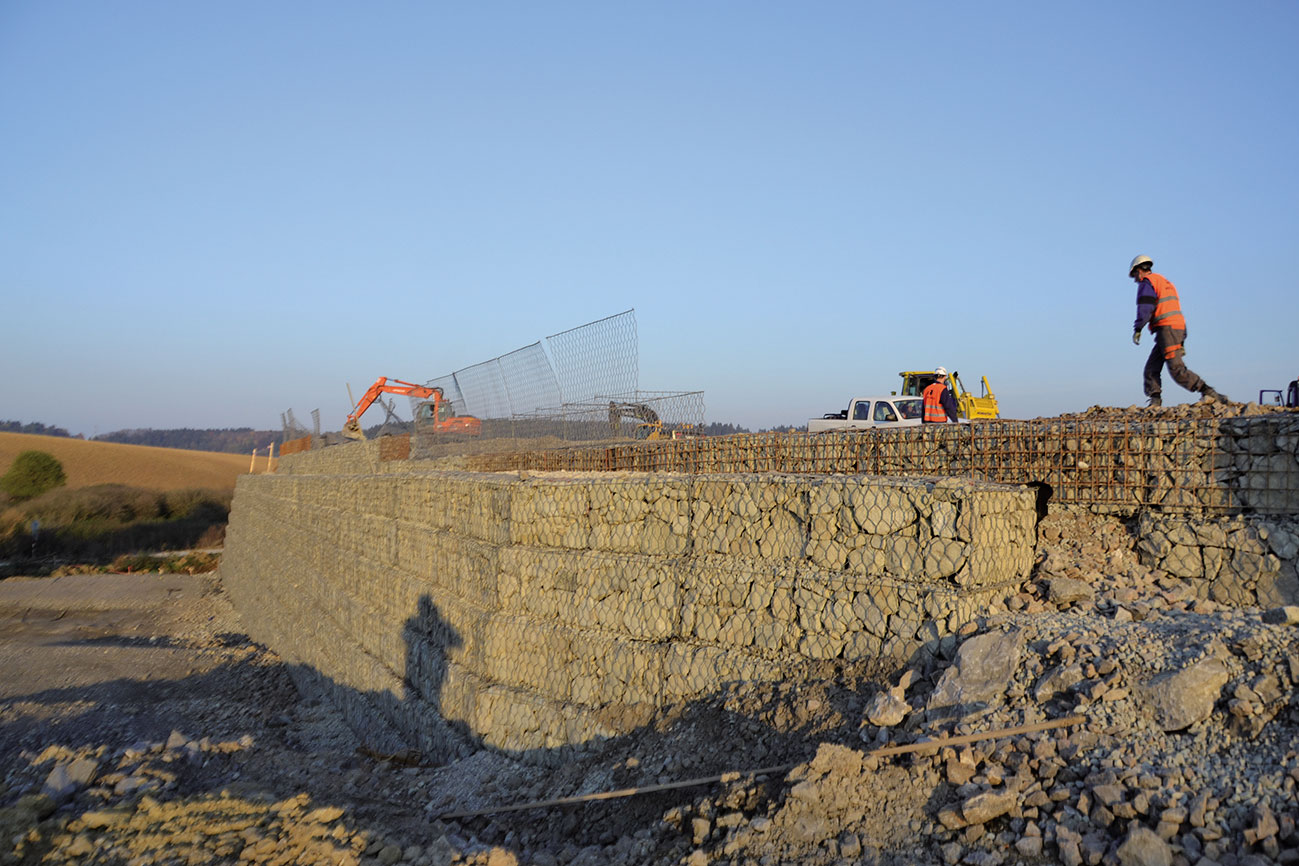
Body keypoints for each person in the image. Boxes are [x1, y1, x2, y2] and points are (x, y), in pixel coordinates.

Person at [1129, 255, 1227, 407]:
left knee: (1176, 369)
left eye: (1134, 275)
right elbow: (1176, 311)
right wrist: (1182, 339)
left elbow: (1145, 307)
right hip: (1175, 329)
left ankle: (1209, 392)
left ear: (1139, 270)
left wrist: (1138, 327)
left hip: (1166, 330)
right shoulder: (1166, 282)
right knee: (1151, 368)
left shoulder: (1147, 283)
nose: (1135, 279)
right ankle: (1155, 400)